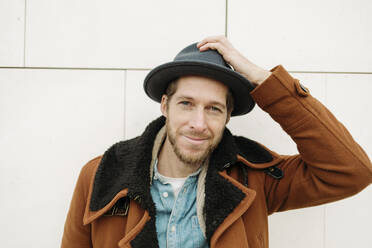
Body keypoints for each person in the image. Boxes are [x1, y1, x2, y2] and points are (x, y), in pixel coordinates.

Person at [61, 36, 372, 248]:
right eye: (186, 104)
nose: (199, 123)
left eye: (213, 109)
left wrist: (265, 81)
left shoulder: (255, 177)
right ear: (165, 105)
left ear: (228, 115)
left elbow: (351, 171)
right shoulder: (102, 174)